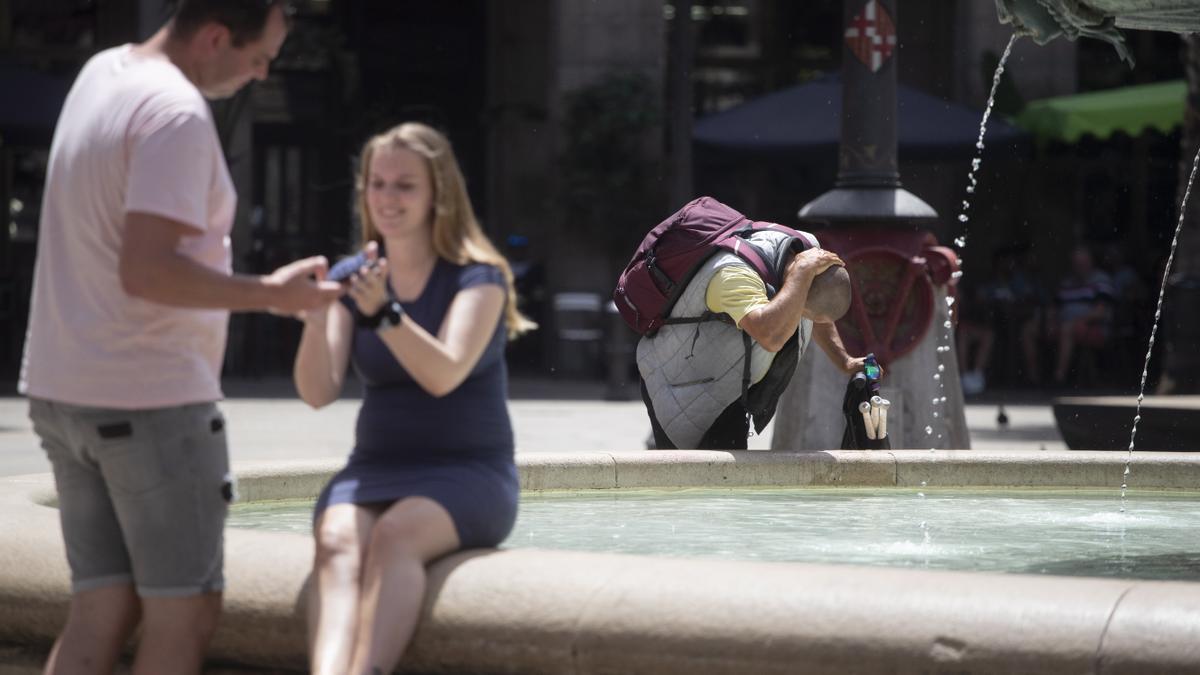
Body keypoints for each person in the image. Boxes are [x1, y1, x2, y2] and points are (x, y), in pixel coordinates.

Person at [18, 2, 344, 673]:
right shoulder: (176, 113)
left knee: (99, 606)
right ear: (215, 36)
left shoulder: (101, 73)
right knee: (184, 609)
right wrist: (274, 295)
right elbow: (149, 269)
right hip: (148, 400)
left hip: (61, 389)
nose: (260, 75)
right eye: (259, 58)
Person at [295, 122, 535, 675]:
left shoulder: (480, 277)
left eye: (405, 185)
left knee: (396, 535)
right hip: (375, 467)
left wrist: (384, 314)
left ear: (438, 195)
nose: (387, 197)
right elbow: (317, 392)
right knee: (334, 539)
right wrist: (312, 319)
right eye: (377, 183)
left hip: (468, 473)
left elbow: (443, 373)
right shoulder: (352, 278)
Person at [637, 228, 866, 450]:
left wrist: (843, 360)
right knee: (690, 478)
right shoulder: (735, 276)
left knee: (727, 477)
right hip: (682, 379)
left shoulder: (809, 254)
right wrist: (802, 273)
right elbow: (770, 336)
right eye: (801, 314)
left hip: (727, 380)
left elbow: (817, 313)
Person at [1044, 245, 1116, 385]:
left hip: (1093, 327)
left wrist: (1079, 321)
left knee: (1067, 329)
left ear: (1090, 262)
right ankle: (1034, 378)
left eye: (1082, 263)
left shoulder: (1101, 280)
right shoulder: (1067, 282)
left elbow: (1101, 311)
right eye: (1076, 264)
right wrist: (1050, 320)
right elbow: (1053, 306)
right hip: (1064, 325)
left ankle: (1059, 377)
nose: (1079, 267)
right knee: (1034, 330)